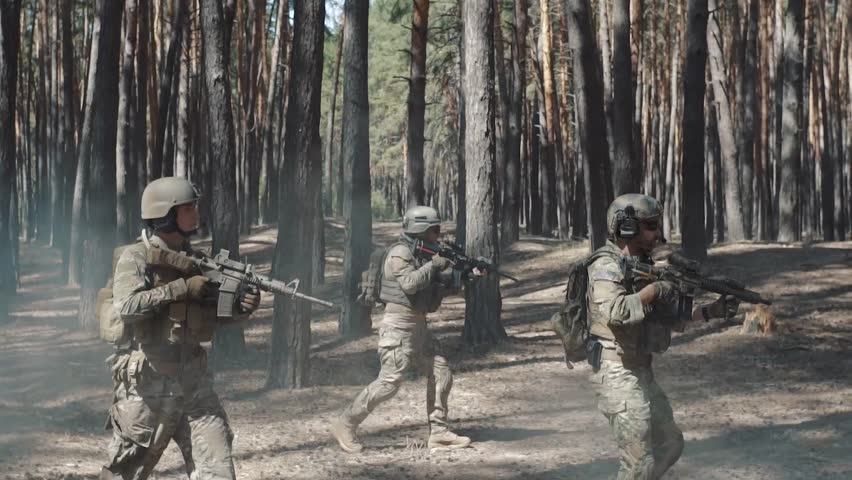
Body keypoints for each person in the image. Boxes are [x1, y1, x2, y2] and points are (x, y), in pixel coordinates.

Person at [100, 177, 260, 480]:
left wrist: (242, 307)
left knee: (219, 471)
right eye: (188, 208)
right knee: (126, 472)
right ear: (165, 214)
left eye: (195, 206)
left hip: (194, 385)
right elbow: (127, 307)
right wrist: (181, 288)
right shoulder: (136, 257)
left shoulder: (196, 260)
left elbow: (211, 315)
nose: (196, 213)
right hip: (148, 388)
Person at [587, 193, 740, 479]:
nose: (657, 233)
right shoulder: (606, 265)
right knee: (639, 464)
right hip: (616, 371)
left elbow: (671, 320)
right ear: (627, 227)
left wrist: (712, 311)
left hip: (640, 369)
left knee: (670, 445)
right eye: (651, 226)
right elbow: (615, 312)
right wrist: (656, 290)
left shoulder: (641, 265)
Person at [331, 205, 481, 452]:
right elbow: (410, 284)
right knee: (389, 383)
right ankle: (345, 423)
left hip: (419, 327)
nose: (437, 234)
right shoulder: (399, 253)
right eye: (434, 229)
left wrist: (465, 277)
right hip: (398, 327)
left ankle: (439, 433)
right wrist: (435, 264)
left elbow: (434, 287)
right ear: (420, 229)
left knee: (441, 371)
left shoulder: (423, 254)